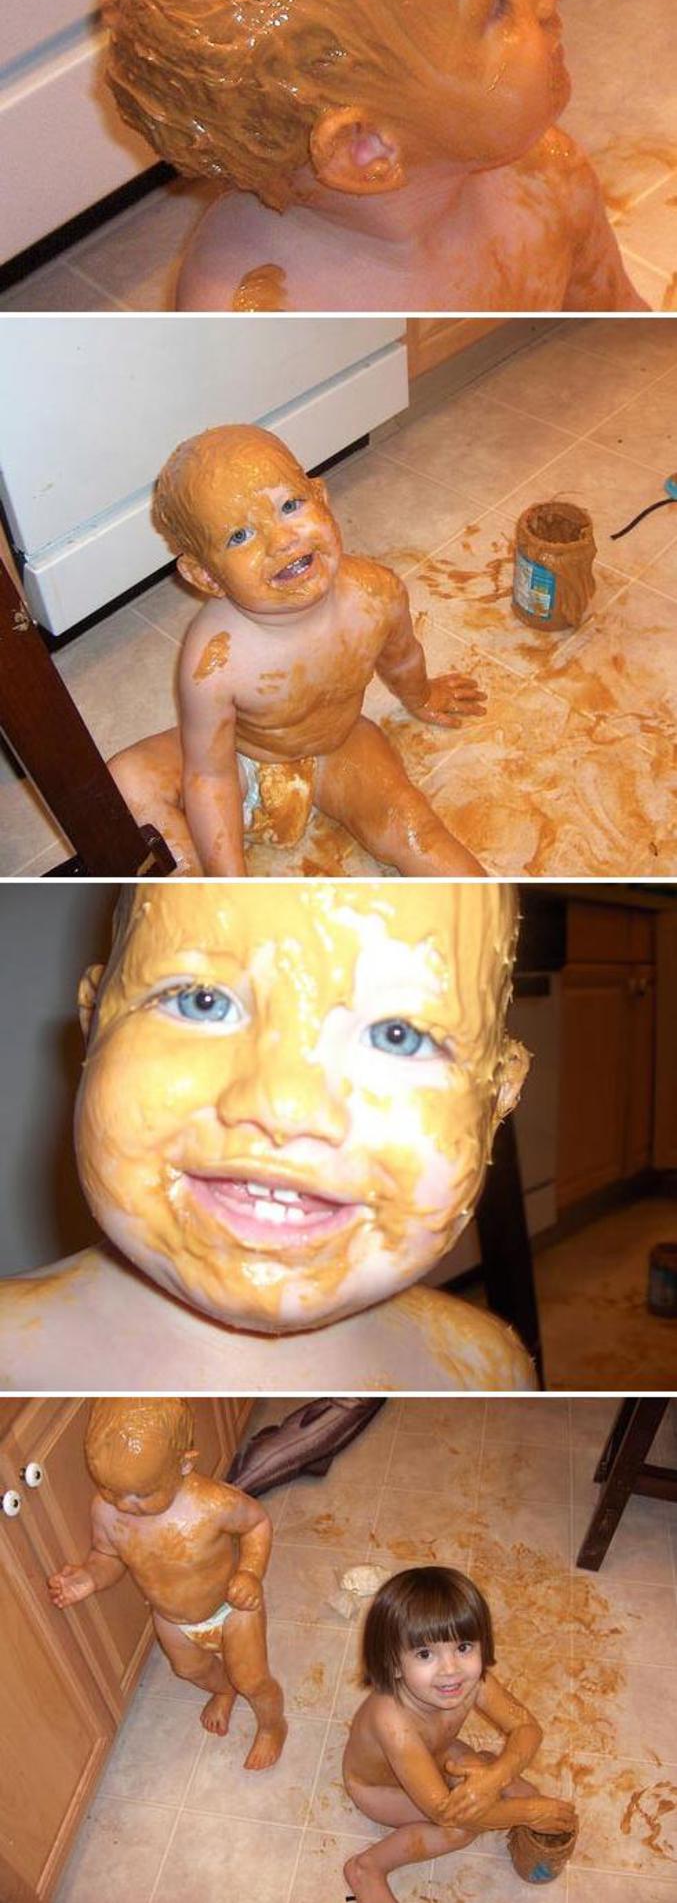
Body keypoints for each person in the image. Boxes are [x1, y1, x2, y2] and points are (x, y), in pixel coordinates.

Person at [0, 880, 533, 1393]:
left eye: (400, 1035)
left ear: (498, 1096)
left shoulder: (488, 1370)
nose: (284, 1109)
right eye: (201, 1002)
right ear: (94, 1025)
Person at [105, 0, 645, 314]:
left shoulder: (548, 177)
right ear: (366, 151)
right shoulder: (260, 309)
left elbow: (619, 315)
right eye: (497, 3)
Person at [108, 423, 486, 877]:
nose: (283, 540)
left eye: (290, 505)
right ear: (205, 576)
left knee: (416, 832)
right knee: (125, 780)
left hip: (337, 744)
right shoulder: (214, 660)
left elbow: (401, 654)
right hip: (241, 757)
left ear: (322, 499)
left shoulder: (376, 594)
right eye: (240, 536)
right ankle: (197, 893)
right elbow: (209, 775)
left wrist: (421, 694)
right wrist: (230, 883)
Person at [47, 1398, 286, 1767]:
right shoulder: (106, 1512)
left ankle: (272, 1726)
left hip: (232, 1608)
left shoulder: (212, 1503)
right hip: (172, 1619)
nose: (125, 1504)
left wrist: (250, 1572)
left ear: (184, 1463)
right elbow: (108, 1557)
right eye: (111, 1489)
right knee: (189, 1669)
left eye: (142, 1493)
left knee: (252, 1679)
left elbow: (257, 1523)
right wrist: (91, 1577)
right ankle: (224, 1690)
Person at [343, 1566, 576, 1901]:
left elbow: (527, 1727)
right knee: (460, 1830)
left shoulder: (474, 1682)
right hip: (380, 1790)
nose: (450, 1670)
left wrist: (496, 1776)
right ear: (392, 1663)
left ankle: (489, 1778)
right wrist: (529, 1812)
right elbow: (444, 1813)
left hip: (438, 1754)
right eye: (425, 1654)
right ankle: (368, 1868)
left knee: (495, 1779)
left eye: (464, 1647)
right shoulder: (391, 1720)